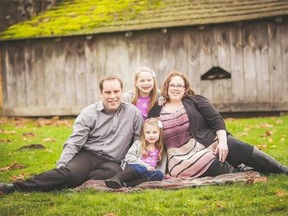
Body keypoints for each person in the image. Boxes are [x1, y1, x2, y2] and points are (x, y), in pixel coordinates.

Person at [0, 75, 143, 194]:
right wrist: (62, 165)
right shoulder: (89, 113)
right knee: (71, 173)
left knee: (114, 173)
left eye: (116, 92)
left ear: (122, 91)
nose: (113, 96)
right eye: (108, 92)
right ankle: (16, 187)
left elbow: (137, 142)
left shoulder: (133, 113)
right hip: (89, 155)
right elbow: (74, 142)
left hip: (112, 162)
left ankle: (71, 177)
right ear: (101, 93)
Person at [148, 71, 288, 178]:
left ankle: (282, 169)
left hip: (208, 142)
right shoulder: (156, 110)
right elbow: (150, 133)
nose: (176, 88)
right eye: (172, 85)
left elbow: (217, 120)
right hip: (181, 158)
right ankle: (242, 170)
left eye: (180, 85)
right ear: (166, 87)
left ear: (185, 89)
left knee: (237, 146)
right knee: (221, 165)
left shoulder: (195, 101)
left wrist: (223, 142)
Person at [105, 117, 166, 189]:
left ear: (160, 133)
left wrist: (158, 172)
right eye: (148, 132)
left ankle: (126, 184)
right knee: (141, 168)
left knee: (159, 175)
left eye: (154, 132)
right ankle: (116, 178)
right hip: (133, 168)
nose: (151, 135)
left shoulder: (161, 149)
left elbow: (162, 167)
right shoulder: (138, 144)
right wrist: (145, 166)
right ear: (144, 133)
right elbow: (129, 157)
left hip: (147, 173)